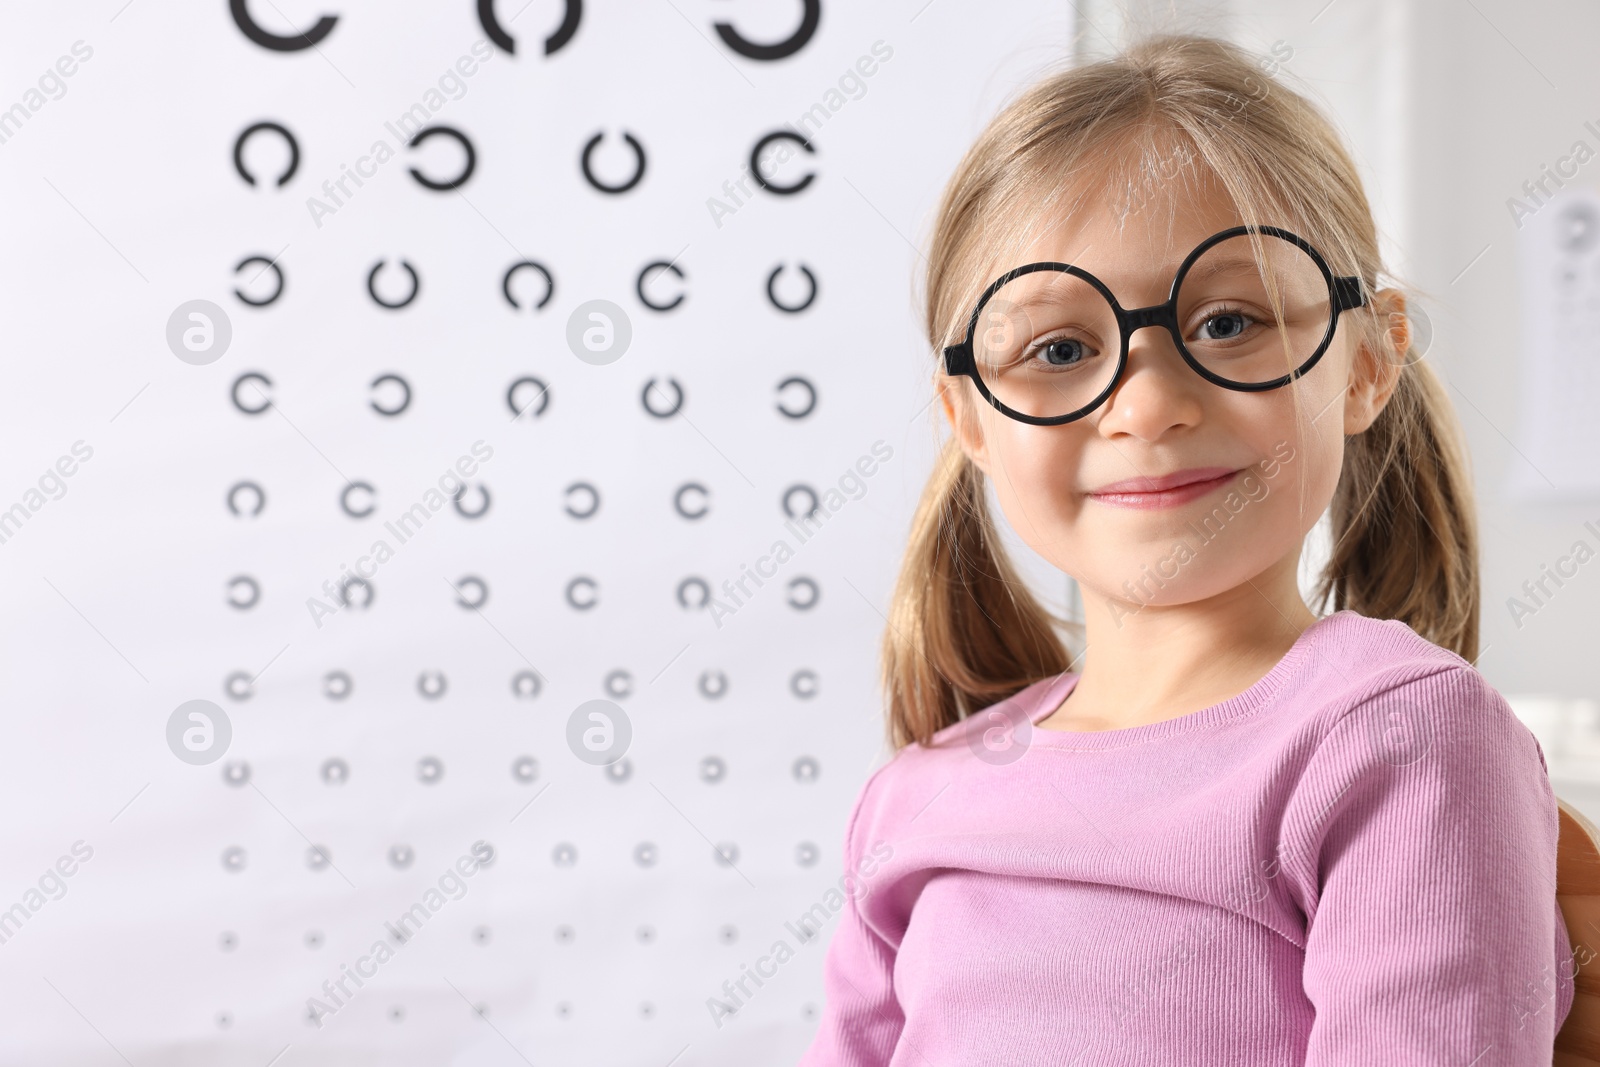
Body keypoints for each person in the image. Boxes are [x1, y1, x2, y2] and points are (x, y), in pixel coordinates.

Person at [797, 32, 1577, 1065]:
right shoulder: (916, 797)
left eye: (1227, 322)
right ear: (970, 418)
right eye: (1060, 348)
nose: (1149, 403)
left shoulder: (1399, 740)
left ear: (1365, 362)